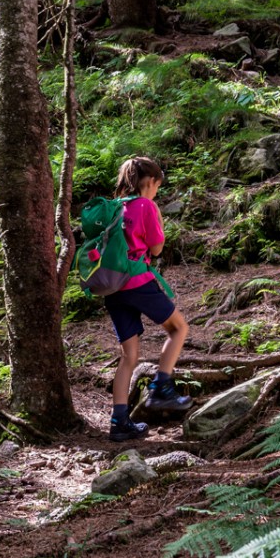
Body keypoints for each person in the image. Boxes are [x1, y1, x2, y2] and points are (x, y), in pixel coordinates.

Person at [103, 156, 191, 441]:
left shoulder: (115, 207)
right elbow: (155, 249)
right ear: (150, 182)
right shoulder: (145, 205)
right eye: (156, 186)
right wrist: (158, 218)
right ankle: (161, 389)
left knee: (128, 356)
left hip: (113, 287)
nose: (156, 192)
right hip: (138, 282)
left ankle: (119, 422)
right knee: (179, 328)